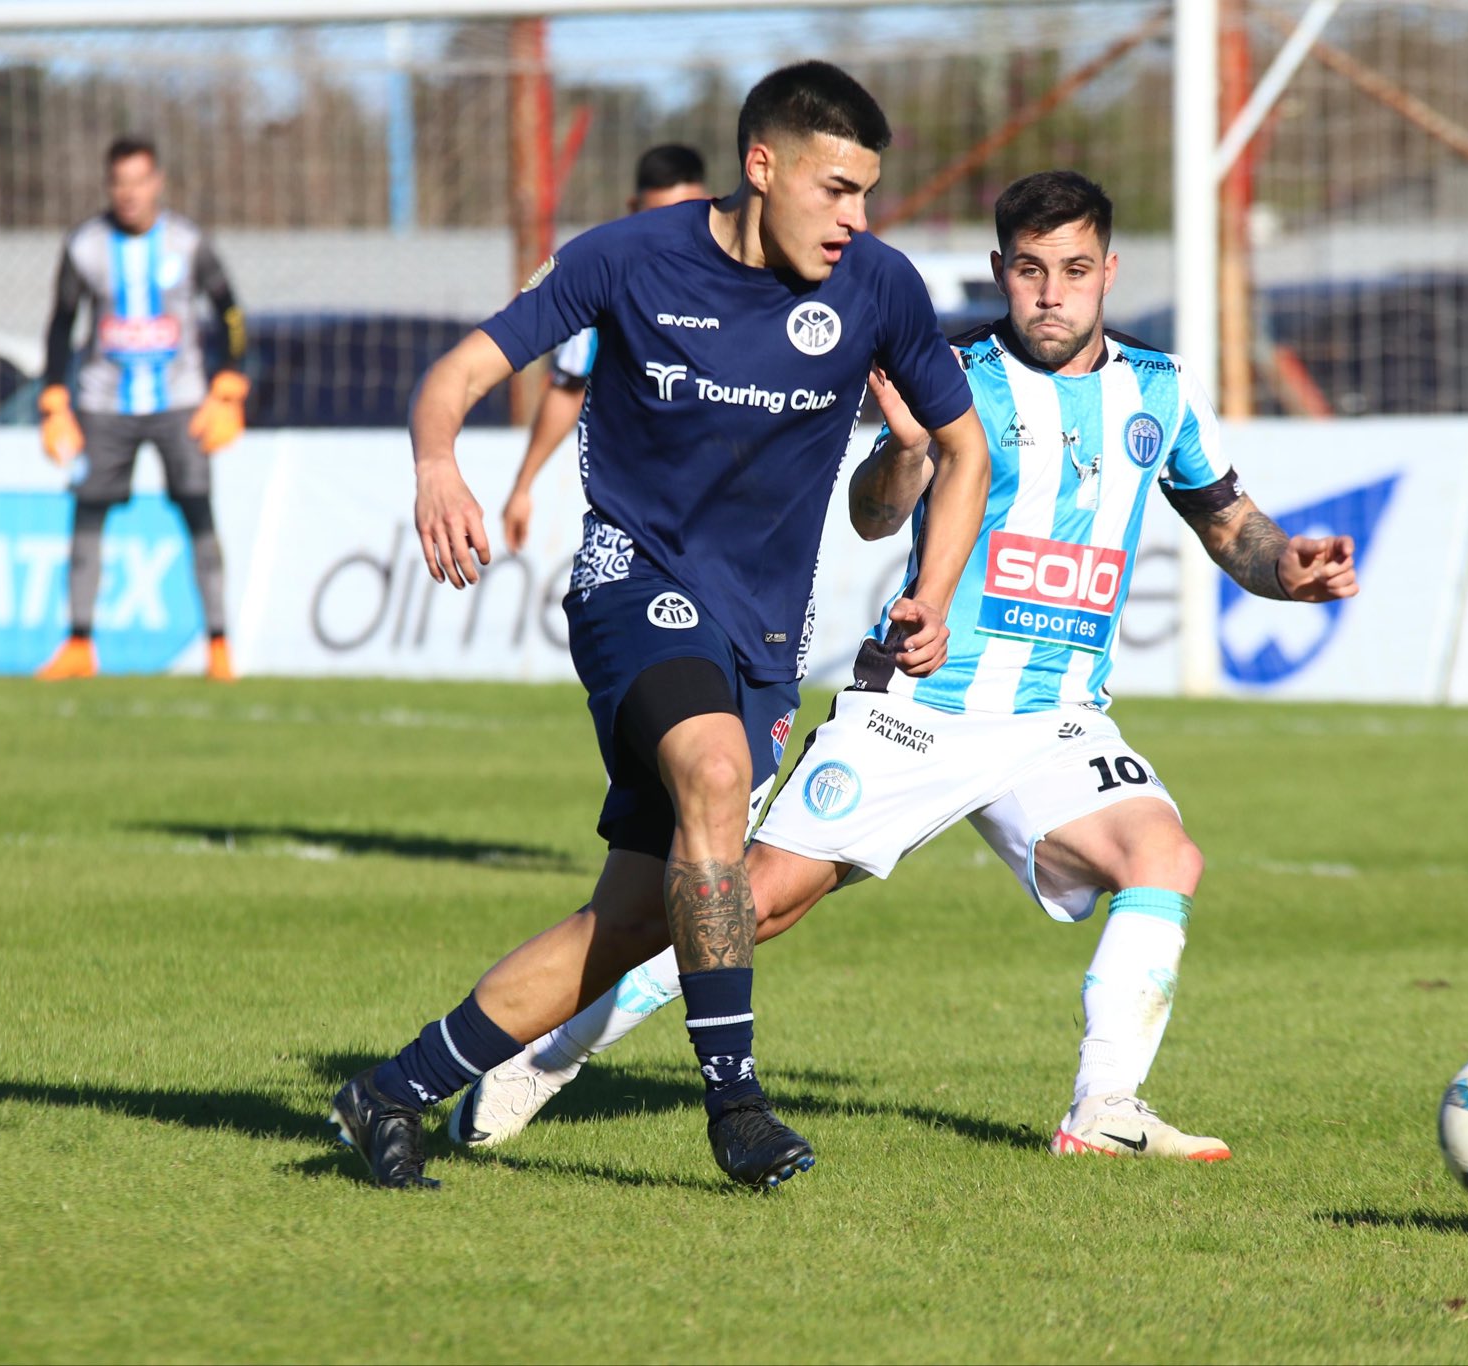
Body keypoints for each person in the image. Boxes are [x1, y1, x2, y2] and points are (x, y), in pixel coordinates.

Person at [449, 170, 1360, 1162]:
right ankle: (544, 1055)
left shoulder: (1161, 390)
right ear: (998, 272)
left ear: (1108, 271)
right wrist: (912, 450)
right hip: (919, 706)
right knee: (744, 901)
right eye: (1027, 270)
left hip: (1054, 720)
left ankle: (1102, 1109)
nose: (1050, 293)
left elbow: (1227, 521)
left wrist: (1287, 568)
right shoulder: (949, 371)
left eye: (1073, 270)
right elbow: (871, 511)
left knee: (1163, 858)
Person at [327, 62, 991, 1191]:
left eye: (868, 194)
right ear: (760, 165)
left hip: (762, 638)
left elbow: (960, 448)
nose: (855, 220)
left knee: (635, 918)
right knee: (714, 771)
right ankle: (733, 1103)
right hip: (630, 581)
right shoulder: (626, 258)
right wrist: (438, 464)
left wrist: (928, 575)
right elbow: (458, 371)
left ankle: (386, 1092)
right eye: (835, 190)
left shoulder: (878, 288)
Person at [34, 135, 248, 683]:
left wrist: (228, 385)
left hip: (179, 403)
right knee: (87, 515)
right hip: (104, 404)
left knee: (199, 512)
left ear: (158, 183)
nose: (130, 193)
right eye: (119, 182)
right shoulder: (85, 245)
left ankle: (219, 647)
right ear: (110, 186)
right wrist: (54, 396)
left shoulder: (186, 242)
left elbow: (231, 314)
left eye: (139, 181)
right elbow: (61, 322)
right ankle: (79, 645)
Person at [502, 144, 711, 554]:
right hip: (638, 526)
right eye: (659, 216)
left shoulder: (749, 285)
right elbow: (567, 387)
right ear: (634, 208)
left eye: (685, 214)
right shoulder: (611, 286)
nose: (673, 231)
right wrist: (523, 486)